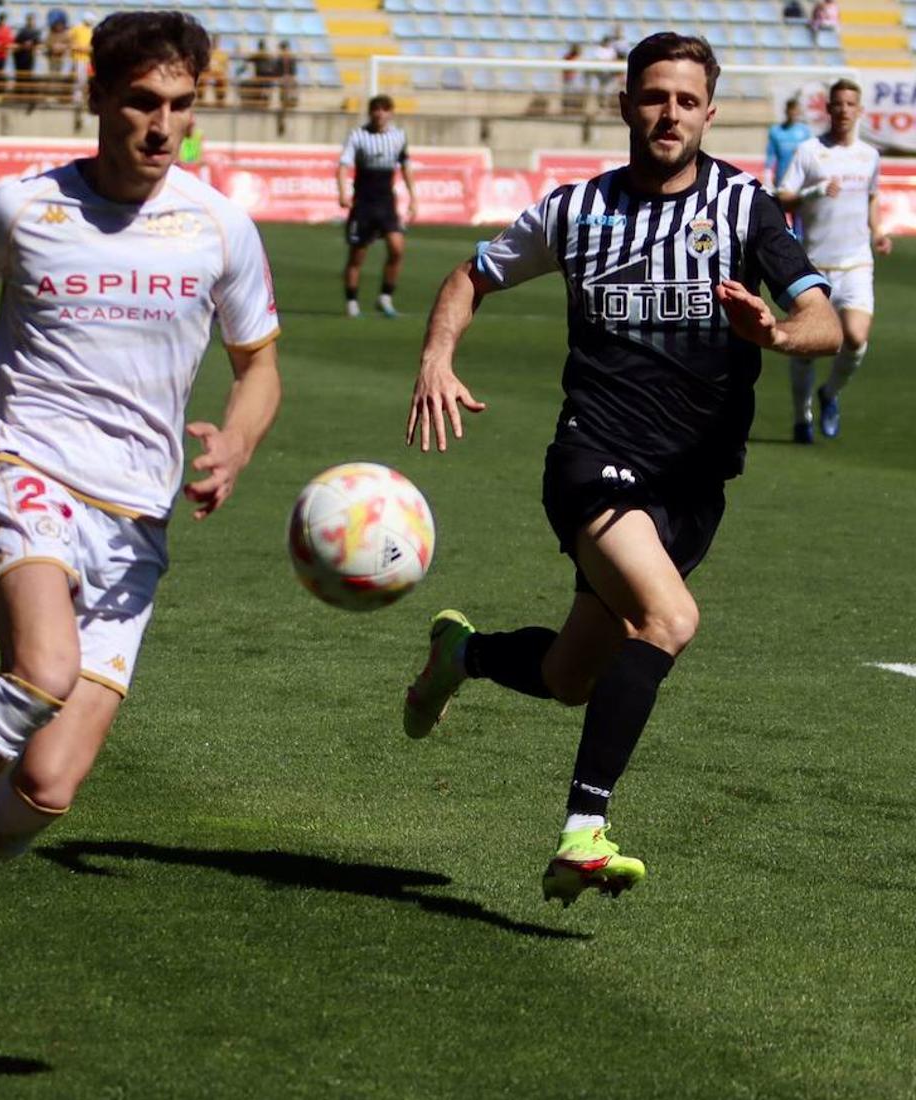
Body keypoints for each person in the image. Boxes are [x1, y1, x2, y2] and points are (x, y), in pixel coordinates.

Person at [0, 10, 282, 986]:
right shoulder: (21, 209)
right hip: (26, 475)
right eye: (142, 104)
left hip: (136, 524)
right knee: (41, 666)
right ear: (98, 99)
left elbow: (259, 364)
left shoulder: (218, 225)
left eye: (181, 107)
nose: (163, 126)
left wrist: (237, 440)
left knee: (46, 789)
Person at [403, 32, 840, 908]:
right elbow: (469, 275)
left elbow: (826, 318)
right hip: (593, 460)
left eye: (685, 100)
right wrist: (436, 358)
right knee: (670, 617)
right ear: (625, 104)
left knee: (572, 677)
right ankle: (583, 832)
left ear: (710, 112)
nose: (668, 113)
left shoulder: (746, 210)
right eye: (653, 97)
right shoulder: (576, 211)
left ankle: (463, 653)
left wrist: (781, 335)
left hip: (693, 488)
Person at [777, 79, 890, 443]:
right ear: (828, 109)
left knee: (855, 338)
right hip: (812, 267)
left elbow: (871, 197)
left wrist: (877, 232)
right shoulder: (809, 152)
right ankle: (801, 417)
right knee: (807, 348)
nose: (843, 110)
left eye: (849, 104)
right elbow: (783, 197)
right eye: (837, 104)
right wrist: (813, 191)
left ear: (859, 111)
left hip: (856, 263)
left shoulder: (869, 156)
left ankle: (830, 393)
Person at [336, 94, 417, 318]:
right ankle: (352, 302)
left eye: (384, 109)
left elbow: (406, 167)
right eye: (376, 109)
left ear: (390, 113)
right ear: (370, 112)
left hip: (386, 203)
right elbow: (343, 165)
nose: (380, 113)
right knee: (358, 255)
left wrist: (413, 198)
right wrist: (343, 192)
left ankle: (385, 297)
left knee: (397, 249)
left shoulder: (398, 136)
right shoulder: (358, 136)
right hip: (363, 203)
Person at [765, 96, 811, 191]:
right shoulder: (776, 131)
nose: (793, 113)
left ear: (798, 112)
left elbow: (809, 155)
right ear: (786, 111)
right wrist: (768, 175)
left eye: (796, 110)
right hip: (781, 177)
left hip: (799, 179)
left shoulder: (804, 131)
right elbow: (771, 154)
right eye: (791, 110)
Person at [12, 14, 42, 102]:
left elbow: (39, 42)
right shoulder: (23, 31)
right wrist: (23, 44)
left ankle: (27, 95)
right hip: (21, 57)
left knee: (28, 76)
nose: (31, 22)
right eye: (30, 20)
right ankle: (19, 95)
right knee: (20, 76)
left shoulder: (36, 31)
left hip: (29, 57)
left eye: (32, 20)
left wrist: (32, 43)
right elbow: (16, 41)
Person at [68, 10, 94, 106]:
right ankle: (77, 99)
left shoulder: (92, 31)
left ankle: (85, 98)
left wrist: (89, 49)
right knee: (79, 79)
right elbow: (69, 40)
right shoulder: (77, 29)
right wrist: (76, 47)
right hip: (78, 58)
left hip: (88, 60)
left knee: (86, 80)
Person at [199, 33, 228, 105]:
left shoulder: (223, 54)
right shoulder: (207, 53)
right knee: (202, 79)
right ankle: (200, 100)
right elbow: (203, 65)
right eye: (213, 40)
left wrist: (218, 69)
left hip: (218, 73)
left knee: (222, 80)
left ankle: (220, 101)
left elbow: (225, 67)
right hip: (208, 72)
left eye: (216, 41)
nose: (215, 42)